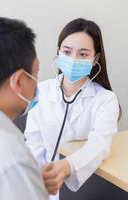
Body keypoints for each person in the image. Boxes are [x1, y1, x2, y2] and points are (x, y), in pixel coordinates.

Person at [25, 18, 120, 198]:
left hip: (83, 189)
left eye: (83, 54)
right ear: (58, 52)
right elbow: (33, 144)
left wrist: (67, 166)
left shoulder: (106, 100)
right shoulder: (41, 92)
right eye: (67, 51)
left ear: (95, 59)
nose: (73, 59)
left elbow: (100, 144)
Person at [0, 16, 48, 200]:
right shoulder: (12, 159)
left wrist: (30, 182)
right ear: (18, 81)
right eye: (36, 73)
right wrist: (25, 179)